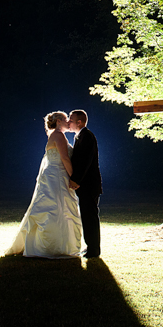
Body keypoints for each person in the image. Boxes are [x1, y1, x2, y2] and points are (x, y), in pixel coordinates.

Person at [5, 111, 83, 258]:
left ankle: (55, 244)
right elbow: (65, 159)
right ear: (59, 121)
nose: (68, 122)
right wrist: (74, 178)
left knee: (58, 208)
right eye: (66, 119)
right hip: (57, 176)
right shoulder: (58, 135)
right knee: (56, 208)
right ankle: (51, 246)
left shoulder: (55, 135)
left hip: (54, 175)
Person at [67, 109, 102, 258]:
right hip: (86, 185)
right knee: (87, 216)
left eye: (71, 119)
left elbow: (85, 162)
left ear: (79, 122)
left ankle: (94, 250)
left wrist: (76, 180)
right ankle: (91, 247)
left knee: (90, 217)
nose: (69, 122)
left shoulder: (87, 136)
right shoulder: (80, 136)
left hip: (89, 185)